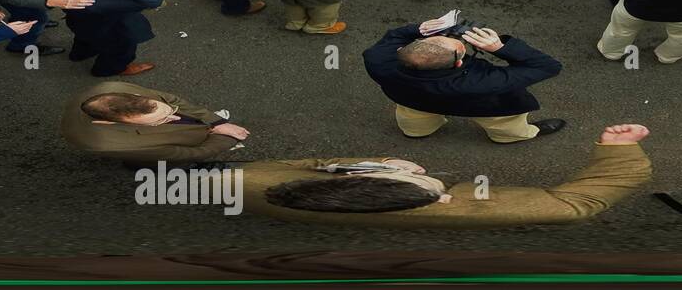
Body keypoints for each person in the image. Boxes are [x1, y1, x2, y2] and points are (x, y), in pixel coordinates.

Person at [249, 125, 650, 224]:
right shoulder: (454, 207)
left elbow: (315, 167)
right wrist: (620, 150)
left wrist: (377, 163)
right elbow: (577, 204)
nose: (416, 167)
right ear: (440, 201)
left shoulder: (253, 183)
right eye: (419, 178)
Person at [362, 16, 566, 142]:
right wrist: (500, 48)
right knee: (505, 124)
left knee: (414, 119)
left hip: (411, 100)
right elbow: (548, 66)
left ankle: (417, 132)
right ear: (458, 63)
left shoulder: (377, 58)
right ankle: (510, 137)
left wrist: (419, 29)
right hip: (484, 108)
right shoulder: (483, 81)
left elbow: (393, 37)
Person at [62, 78, 253, 162]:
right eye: (159, 120)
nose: (176, 117)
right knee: (157, 162)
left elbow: (171, 100)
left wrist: (217, 123)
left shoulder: (113, 87)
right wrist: (227, 138)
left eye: (168, 111)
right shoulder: (114, 144)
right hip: (150, 155)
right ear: (109, 123)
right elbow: (186, 154)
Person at [47, 0, 166, 76]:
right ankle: (107, 70)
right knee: (120, 52)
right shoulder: (97, 2)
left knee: (84, 41)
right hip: (110, 31)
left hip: (80, 23)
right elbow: (153, 1)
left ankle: (78, 55)